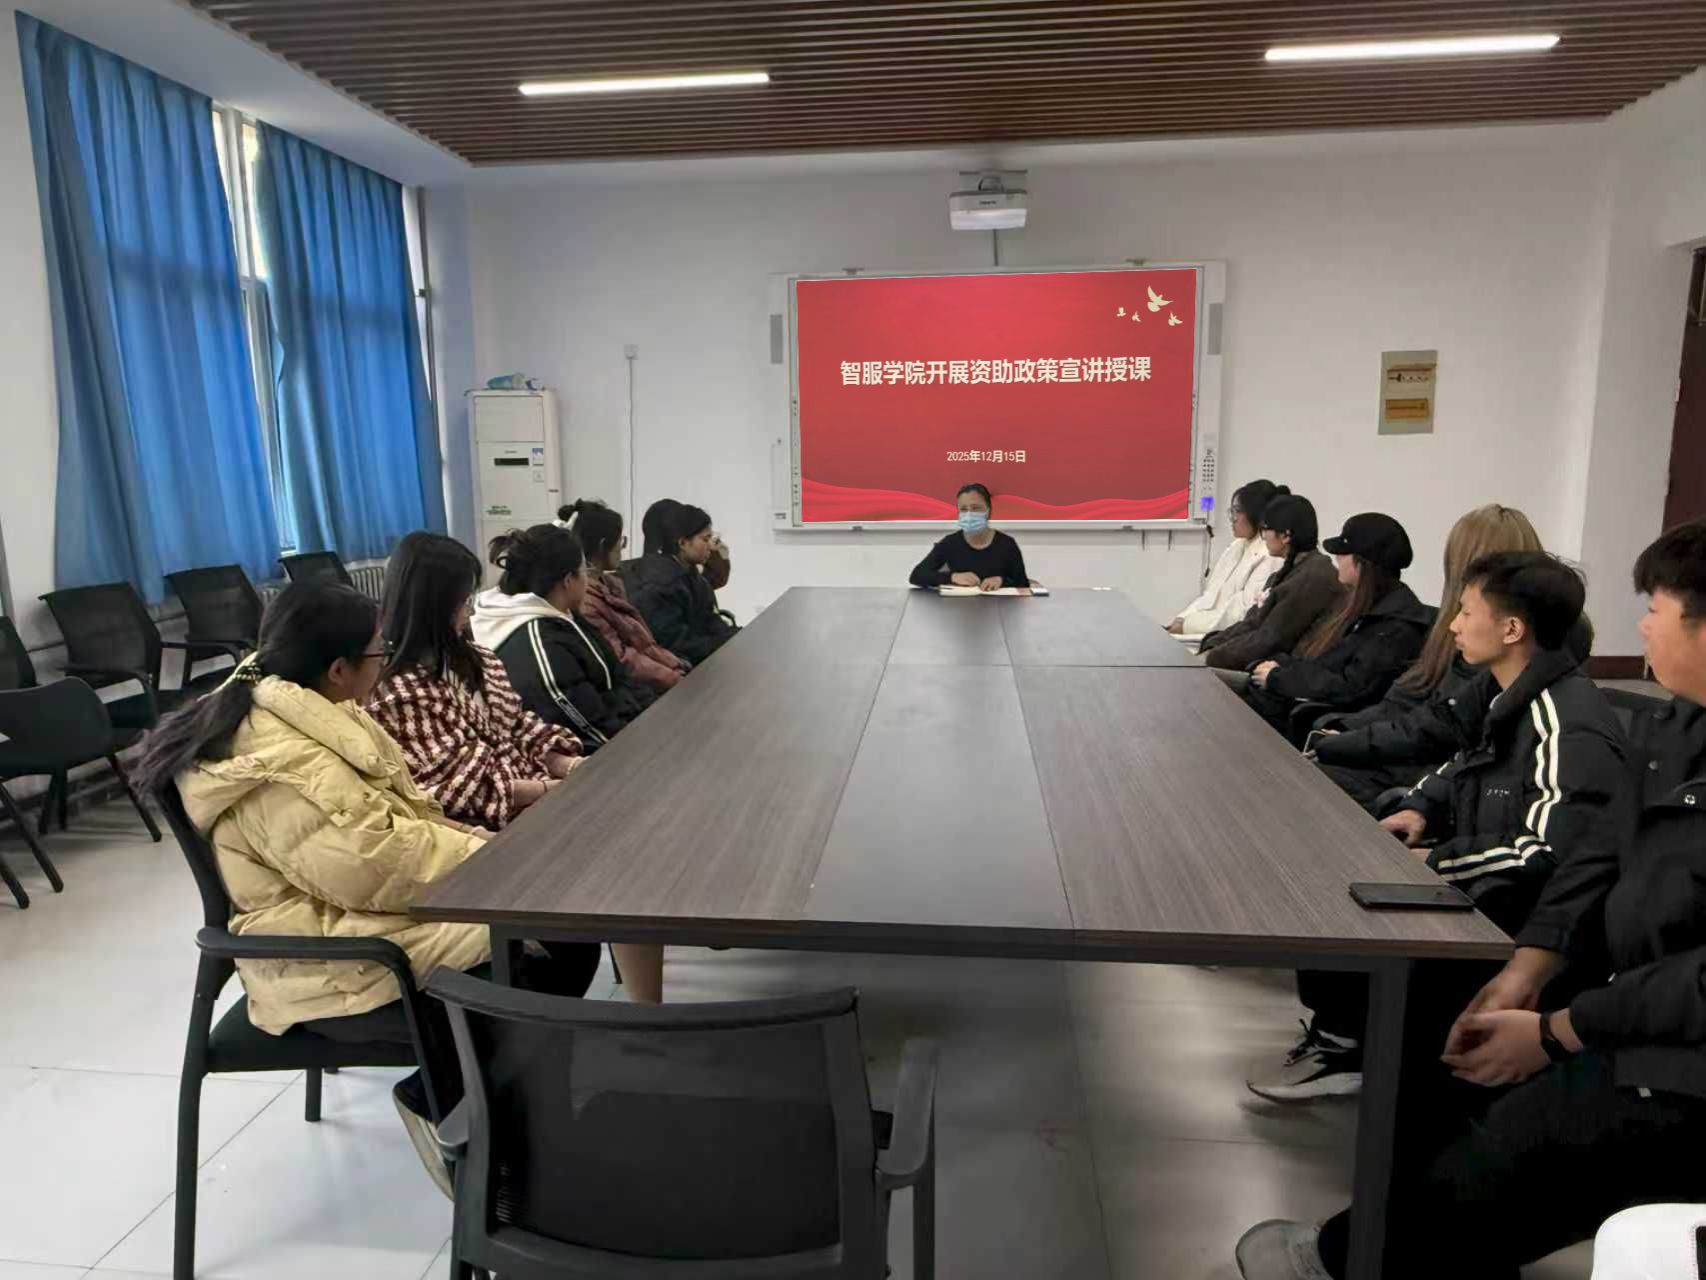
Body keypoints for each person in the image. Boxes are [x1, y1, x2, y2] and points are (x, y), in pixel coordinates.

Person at [1231, 527, 1706, 1280]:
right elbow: (1598, 847)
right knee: (1434, 1054)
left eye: (1656, 608)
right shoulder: (1678, 724)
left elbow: (1567, 863)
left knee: (1506, 1143)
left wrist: (1558, 1030)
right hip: (1611, 994)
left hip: (1664, 1046)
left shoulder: (1576, 721)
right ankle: (1378, 1237)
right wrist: (1527, 968)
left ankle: (1358, 1257)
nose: (1641, 626)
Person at [132, 581, 602, 1197]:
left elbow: (392, 825)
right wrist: (492, 857)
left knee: (561, 939)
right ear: (338, 669)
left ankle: (502, 1114)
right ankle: (457, 1114)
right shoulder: (278, 757)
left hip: (352, 912)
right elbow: (368, 864)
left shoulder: (313, 712)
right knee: (541, 959)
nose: (387, 663)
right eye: (379, 653)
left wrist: (478, 844)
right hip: (324, 957)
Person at [1249, 550, 1624, 1105]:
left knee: (1353, 895)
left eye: (1467, 612)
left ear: (1512, 629)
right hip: (1485, 886)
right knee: (1335, 870)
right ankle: (1345, 1037)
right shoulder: (1504, 689)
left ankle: (1358, 1050)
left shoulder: (1566, 723)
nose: (1452, 626)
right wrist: (1421, 807)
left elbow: (1546, 850)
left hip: (1513, 921)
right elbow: (1464, 760)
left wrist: (1438, 860)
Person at [1310, 504, 1544, 811]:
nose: (1457, 624)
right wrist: (1347, 731)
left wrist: (1346, 740)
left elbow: (1436, 732)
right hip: (1418, 762)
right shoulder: (1463, 636)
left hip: (1430, 777)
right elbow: (1413, 706)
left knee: (1311, 781)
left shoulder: (1490, 650)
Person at [367, 531, 582, 831]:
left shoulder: (475, 656)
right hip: (492, 822)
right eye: (462, 602)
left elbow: (516, 723)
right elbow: (462, 789)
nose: (468, 612)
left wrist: (568, 765)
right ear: (433, 608)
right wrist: (552, 788)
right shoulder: (397, 694)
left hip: (533, 787)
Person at [1242, 513, 1433, 735]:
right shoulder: (1367, 609)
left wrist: (1279, 678)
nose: (1336, 558)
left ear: (1362, 563)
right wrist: (1279, 666)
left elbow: (1351, 688)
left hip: (1325, 723)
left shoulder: (1395, 628)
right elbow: (1326, 665)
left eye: (1343, 553)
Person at [472, 523, 656, 750]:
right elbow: (590, 732)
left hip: (626, 727)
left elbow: (617, 675)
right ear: (568, 580)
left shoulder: (563, 613)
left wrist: (650, 714)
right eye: (584, 570)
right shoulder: (539, 644)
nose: (588, 578)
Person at [1201, 495, 1345, 671]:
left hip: (1283, 671)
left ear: (1285, 535)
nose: (1263, 538)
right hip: (1264, 662)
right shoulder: (1290, 572)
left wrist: (1213, 657)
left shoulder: (1313, 578)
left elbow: (1270, 640)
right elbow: (1252, 622)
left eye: (1265, 530)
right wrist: (1213, 643)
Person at [560, 499, 691, 692]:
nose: (622, 548)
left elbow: (644, 646)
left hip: (651, 678)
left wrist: (675, 664)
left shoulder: (610, 584)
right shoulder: (586, 601)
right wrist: (673, 677)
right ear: (603, 545)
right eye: (621, 541)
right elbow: (623, 660)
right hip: (633, 689)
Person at [1168, 480, 1288, 642]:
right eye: (1231, 511)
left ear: (1255, 514)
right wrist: (1181, 618)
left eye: (1237, 511)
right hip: (1201, 630)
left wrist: (1187, 625)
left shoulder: (1269, 555)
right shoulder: (1236, 547)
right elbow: (1210, 595)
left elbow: (1241, 613)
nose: (1232, 518)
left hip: (1227, 638)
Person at [624, 503, 740, 663]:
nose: (711, 546)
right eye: (705, 539)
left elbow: (709, 620)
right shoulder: (660, 585)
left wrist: (738, 637)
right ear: (683, 543)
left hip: (701, 657)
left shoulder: (691, 574)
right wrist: (724, 643)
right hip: (681, 667)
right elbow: (678, 645)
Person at [909, 482, 1030, 590]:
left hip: (999, 606)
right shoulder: (950, 543)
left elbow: (1023, 583)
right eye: (963, 509)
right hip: (959, 606)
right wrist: (952, 577)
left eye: (976, 508)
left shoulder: (1007, 544)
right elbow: (917, 576)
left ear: (988, 510)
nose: (969, 514)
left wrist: (1001, 580)